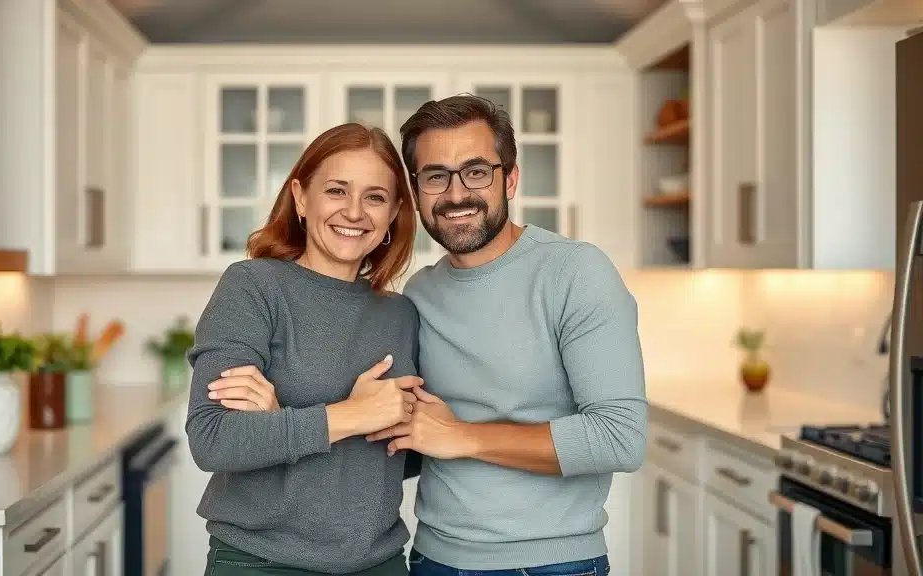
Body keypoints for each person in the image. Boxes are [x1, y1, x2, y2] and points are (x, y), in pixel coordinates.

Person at [363, 94, 648, 576]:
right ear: (415, 191)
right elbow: (414, 430)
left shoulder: (575, 272)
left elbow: (619, 437)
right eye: (435, 176)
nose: (456, 195)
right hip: (433, 558)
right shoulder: (420, 292)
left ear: (510, 179)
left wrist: (463, 437)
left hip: (550, 564)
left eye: (476, 172)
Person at [185, 123, 424, 576]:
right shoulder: (253, 287)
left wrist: (279, 424)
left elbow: (392, 463)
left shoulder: (401, 314)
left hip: (380, 563)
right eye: (336, 190)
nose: (354, 211)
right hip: (262, 563)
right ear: (300, 197)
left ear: (394, 212)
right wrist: (351, 415)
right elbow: (213, 440)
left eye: (375, 197)